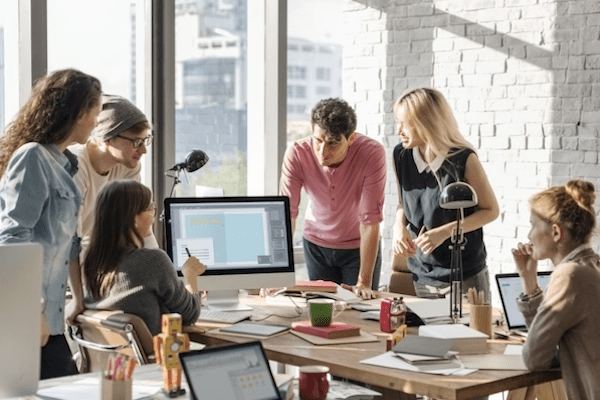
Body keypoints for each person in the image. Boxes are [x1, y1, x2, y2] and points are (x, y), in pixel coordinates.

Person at [0, 69, 102, 379]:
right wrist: (32, 312)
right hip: (27, 317)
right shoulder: (33, 158)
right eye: (95, 112)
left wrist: (79, 301)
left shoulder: (67, 166)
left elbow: (70, 245)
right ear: (79, 112)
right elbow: (13, 239)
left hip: (53, 319)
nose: (97, 121)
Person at [392, 87, 499, 299]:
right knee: (426, 332)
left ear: (425, 123)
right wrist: (398, 228)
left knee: (469, 332)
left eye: (405, 124)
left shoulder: (464, 160)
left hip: (464, 274)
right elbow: (403, 204)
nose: (399, 131)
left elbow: (491, 211)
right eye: (398, 123)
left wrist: (444, 232)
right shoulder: (401, 155)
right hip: (421, 274)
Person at [280, 98, 386, 299]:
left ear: (351, 138)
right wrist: (275, 275)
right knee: (320, 311)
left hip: (357, 247)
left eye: (333, 143)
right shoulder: (297, 153)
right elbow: (287, 217)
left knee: (357, 309)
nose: (323, 151)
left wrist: (363, 282)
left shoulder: (372, 154)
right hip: (316, 246)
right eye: (318, 140)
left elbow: (370, 221)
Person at [512, 180, 600, 400]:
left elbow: (535, 358)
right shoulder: (592, 266)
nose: (530, 235)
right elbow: (545, 352)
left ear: (556, 232)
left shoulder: (570, 275)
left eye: (533, 225)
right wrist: (528, 279)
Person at [82, 179, 205, 336]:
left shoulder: (92, 263)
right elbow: (191, 313)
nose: (154, 216)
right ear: (134, 219)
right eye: (150, 208)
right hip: (154, 359)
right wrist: (190, 275)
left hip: (118, 359)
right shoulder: (153, 261)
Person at [68, 94, 157, 260]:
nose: (144, 150)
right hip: (63, 266)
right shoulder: (75, 166)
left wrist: (164, 276)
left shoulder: (128, 168)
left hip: (97, 260)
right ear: (108, 138)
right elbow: (71, 240)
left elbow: (140, 226)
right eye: (137, 142)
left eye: (146, 140)